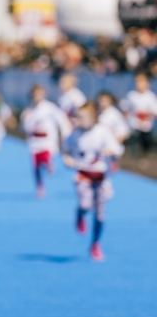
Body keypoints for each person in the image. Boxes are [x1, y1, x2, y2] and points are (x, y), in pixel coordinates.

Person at [62, 102, 124, 262]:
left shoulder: (103, 131)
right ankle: (80, 214)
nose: (78, 120)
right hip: (83, 175)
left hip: (101, 177)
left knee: (100, 215)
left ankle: (95, 243)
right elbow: (66, 149)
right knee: (85, 204)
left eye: (82, 117)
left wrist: (111, 151)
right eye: (77, 117)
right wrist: (67, 159)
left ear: (93, 117)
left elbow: (117, 149)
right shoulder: (75, 133)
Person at [20, 85, 73, 198]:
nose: (37, 97)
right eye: (35, 95)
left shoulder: (50, 108)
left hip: (48, 140)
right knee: (36, 166)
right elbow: (24, 128)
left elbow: (62, 120)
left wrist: (65, 135)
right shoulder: (29, 110)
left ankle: (49, 163)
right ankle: (40, 186)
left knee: (45, 156)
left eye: (39, 94)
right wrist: (24, 119)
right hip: (34, 141)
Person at [122, 72, 157, 154]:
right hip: (134, 128)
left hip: (146, 129)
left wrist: (147, 113)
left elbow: (155, 112)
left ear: (148, 83)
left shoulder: (151, 96)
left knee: (147, 148)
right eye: (137, 81)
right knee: (133, 147)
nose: (139, 84)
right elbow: (124, 107)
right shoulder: (131, 95)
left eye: (142, 81)